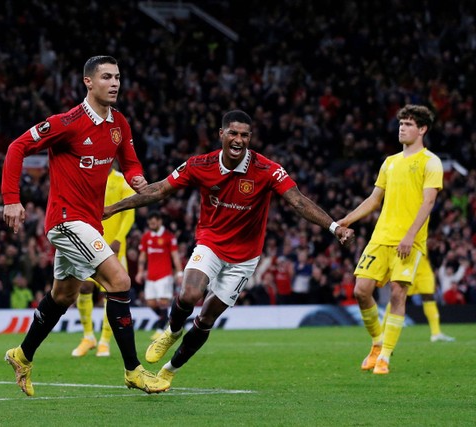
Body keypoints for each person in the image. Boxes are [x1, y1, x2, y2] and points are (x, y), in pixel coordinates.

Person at [104, 110, 354, 385]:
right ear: (221, 134)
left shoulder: (267, 170)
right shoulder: (200, 164)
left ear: (250, 138)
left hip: (244, 258)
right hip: (211, 242)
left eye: (244, 135)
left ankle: (169, 372)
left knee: (207, 318)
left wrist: (335, 227)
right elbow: (159, 190)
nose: (238, 140)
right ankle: (172, 331)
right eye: (233, 133)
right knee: (189, 293)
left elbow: (298, 201)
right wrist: (113, 209)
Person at [1, 55, 169, 396]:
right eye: (107, 77)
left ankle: (22, 355)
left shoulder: (119, 122)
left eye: (118, 77)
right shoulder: (67, 122)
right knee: (119, 280)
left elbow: (132, 164)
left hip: (89, 222)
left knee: (63, 295)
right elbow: (17, 146)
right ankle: (133, 370)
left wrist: (139, 183)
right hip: (65, 220)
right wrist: (11, 198)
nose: (115, 83)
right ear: (88, 82)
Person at [338, 104, 442, 375]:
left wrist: (409, 235)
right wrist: (347, 219)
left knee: (398, 292)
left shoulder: (431, 162)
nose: (402, 128)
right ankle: (377, 343)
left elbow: (428, 202)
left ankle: (384, 357)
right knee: (361, 291)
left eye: (408, 124)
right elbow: (375, 199)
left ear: (422, 129)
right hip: (381, 237)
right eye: (401, 123)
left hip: (409, 241)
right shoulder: (390, 162)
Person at [71, 165, 136, 358]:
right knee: (84, 287)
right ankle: (88, 337)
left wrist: (119, 238)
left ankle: (104, 341)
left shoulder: (121, 181)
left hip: (113, 245)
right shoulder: (87, 177)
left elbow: (129, 213)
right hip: (90, 243)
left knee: (112, 291)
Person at [381, 256, 455, 342]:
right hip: (408, 264)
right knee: (398, 296)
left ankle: (436, 333)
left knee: (428, 297)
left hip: (424, 268)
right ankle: (382, 333)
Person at [136, 210, 183, 339]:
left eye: (154, 223)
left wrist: (179, 273)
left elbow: (175, 256)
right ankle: (168, 320)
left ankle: (160, 328)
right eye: (150, 223)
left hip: (165, 275)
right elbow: (142, 255)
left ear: (159, 222)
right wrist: (140, 272)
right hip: (151, 276)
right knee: (151, 303)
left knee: (163, 302)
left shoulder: (169, 237)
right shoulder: (146, 237)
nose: (151, 225)